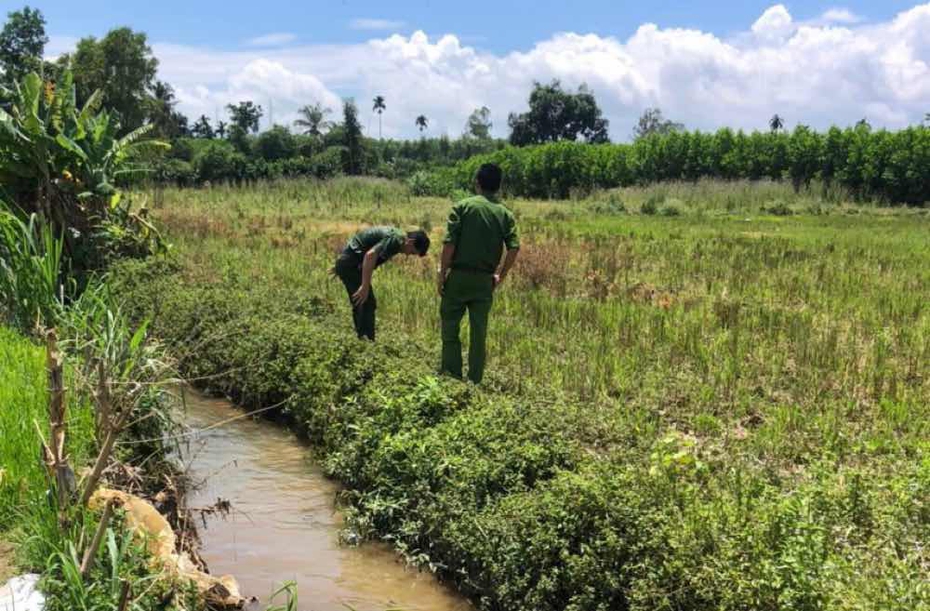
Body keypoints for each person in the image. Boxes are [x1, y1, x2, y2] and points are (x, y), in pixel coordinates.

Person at [437, 163, 520, 384]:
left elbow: (449, 244)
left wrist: (441, 273)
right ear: (499, 186)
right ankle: (474, 382)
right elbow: (514, 247)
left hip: (458, 278)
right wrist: (500, 276)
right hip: (484, 281)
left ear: (477, 182)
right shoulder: (505, 214)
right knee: (478, 334)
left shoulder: (462, 207)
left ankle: (452, 376)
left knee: (450, 329)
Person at [334, 227, 430, 340]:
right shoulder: (395, 240)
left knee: (362, 302)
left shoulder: (397, 240)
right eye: (412, 252)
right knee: (366, 302)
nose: (408, 255)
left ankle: (363, 340)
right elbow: (370, 255)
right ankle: (366, 343)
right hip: (351, 265)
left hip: (350, 263)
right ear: (411, 242)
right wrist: (364, 286)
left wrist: (342, 264)